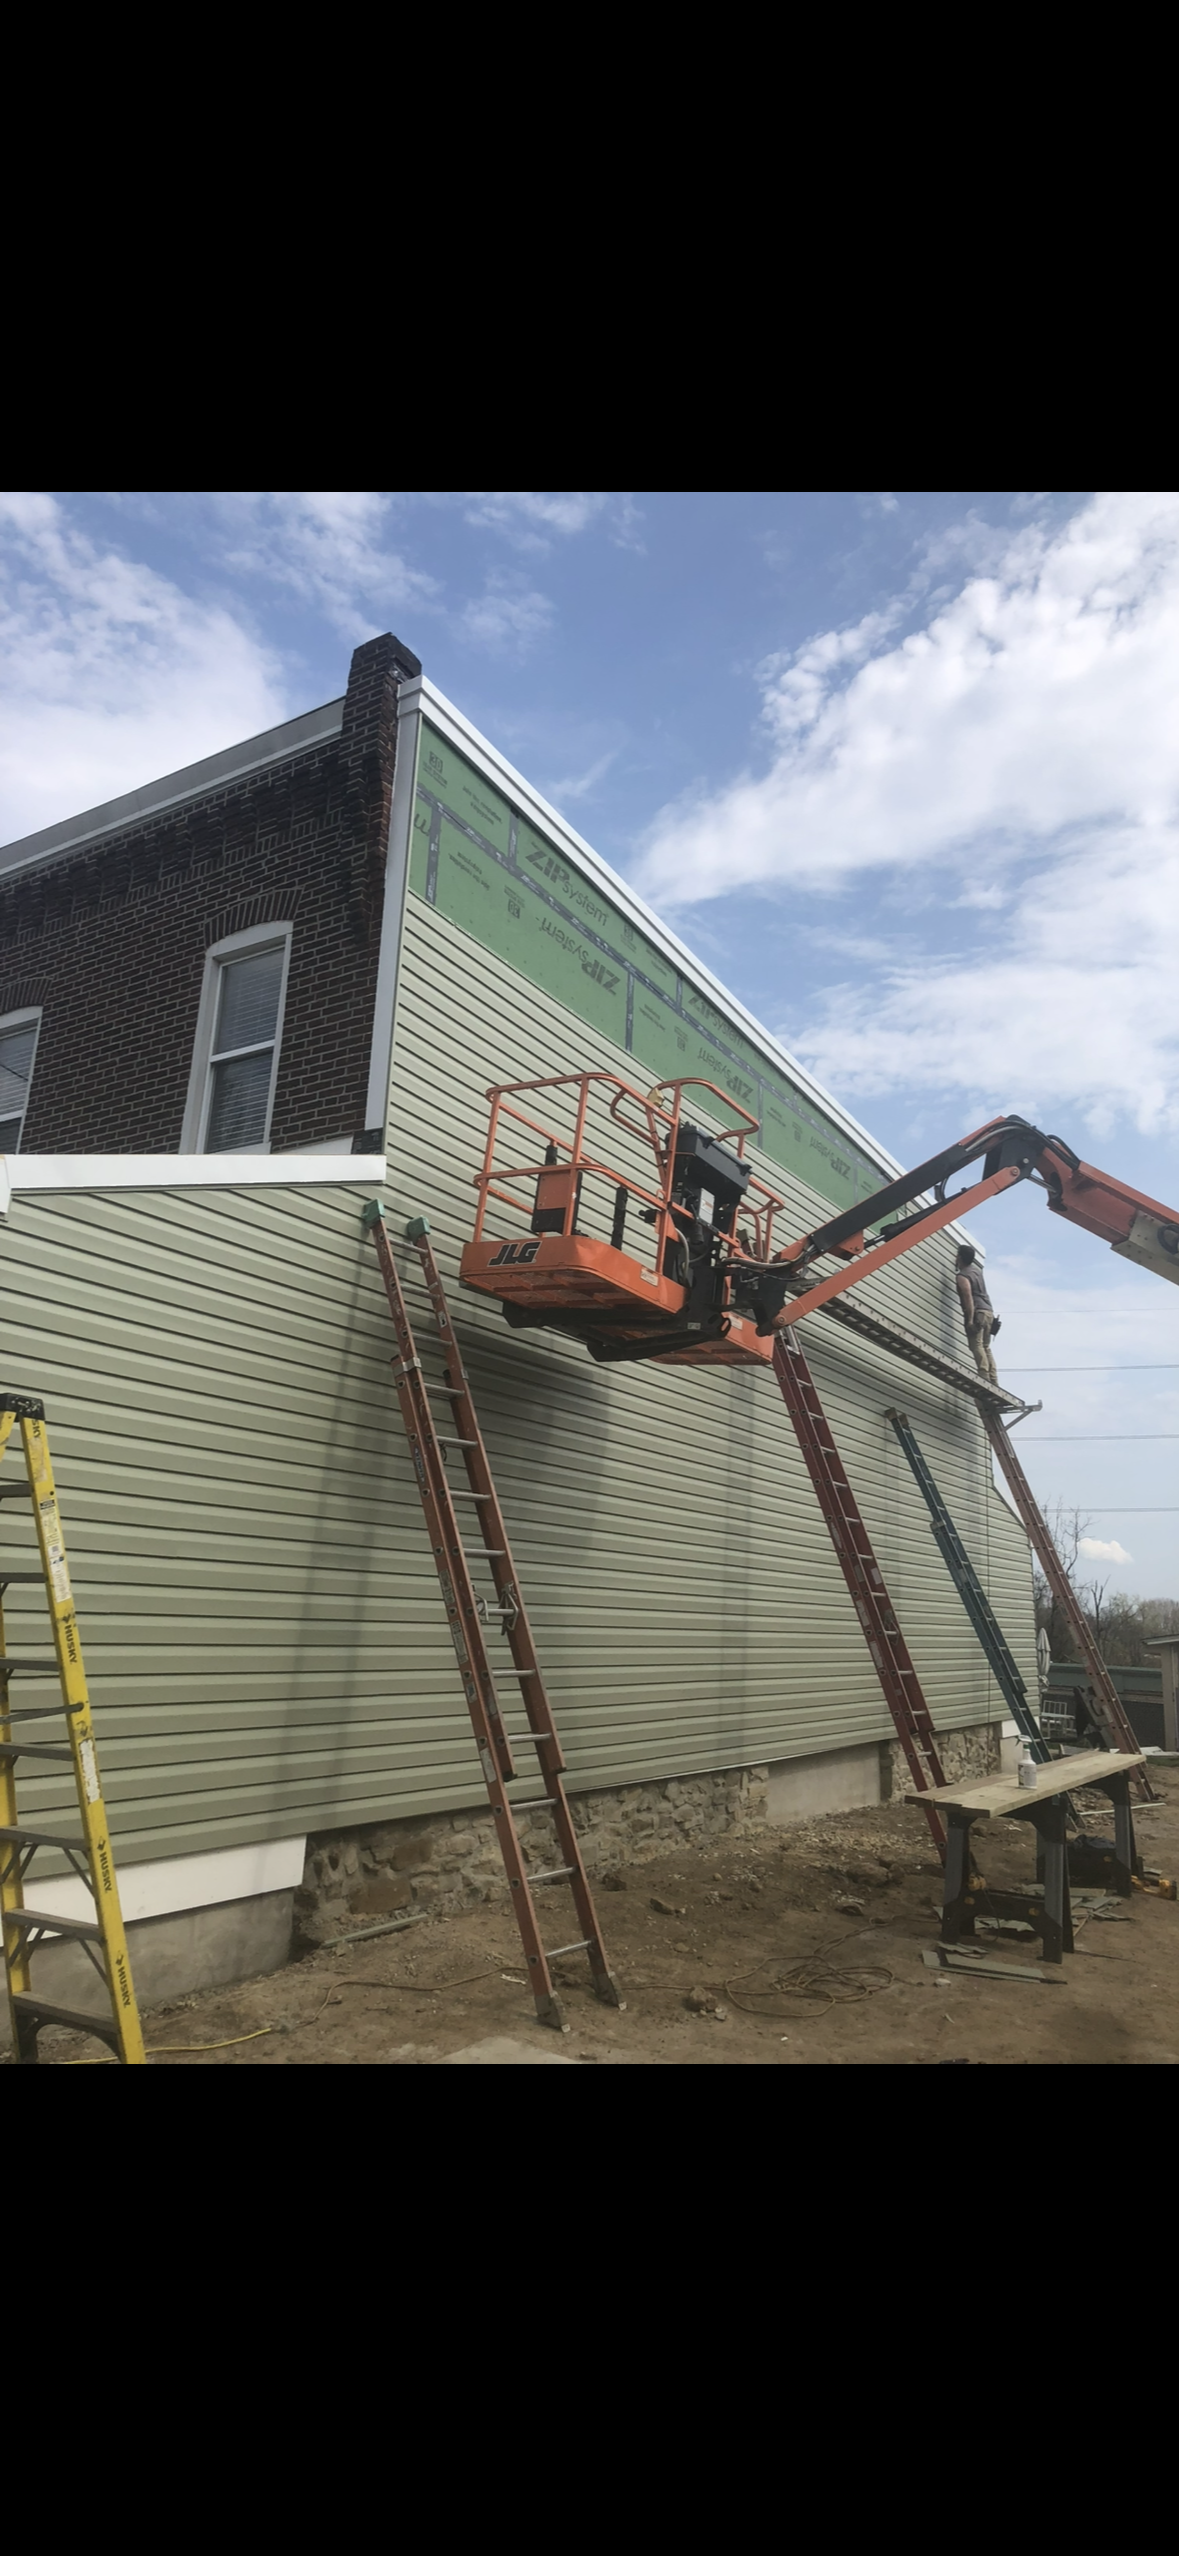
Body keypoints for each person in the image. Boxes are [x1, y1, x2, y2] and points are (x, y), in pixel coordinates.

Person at [955, 1244, 1000, 1383]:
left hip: (978, 1312)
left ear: (960, 1258)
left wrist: (969, 1319)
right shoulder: (977, 1272)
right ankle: (993, 1379)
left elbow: (968, 1298)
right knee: (986, 1346)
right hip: (988, 1311)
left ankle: (984, 1377)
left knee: (977, 1345)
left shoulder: (963, 1276)